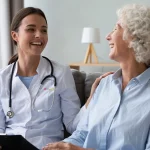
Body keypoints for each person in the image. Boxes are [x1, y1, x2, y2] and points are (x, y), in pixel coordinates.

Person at [43, 4, 150, 150]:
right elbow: (82, 134)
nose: (108, 36)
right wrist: (59, 147)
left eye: (115, 29)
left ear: (134, 36)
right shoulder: (104, 85)